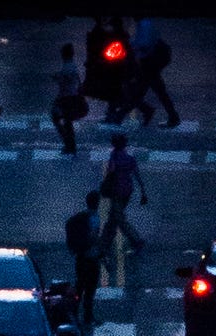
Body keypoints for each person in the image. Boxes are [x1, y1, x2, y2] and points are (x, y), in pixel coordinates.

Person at [97, 131, 148, 261]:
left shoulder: (114, 156)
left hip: (116, 190)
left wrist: (105, 184)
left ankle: (136, 240)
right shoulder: (130, 158)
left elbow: (111, 171)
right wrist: (143, 192)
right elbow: (137, 175)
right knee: (113, 217)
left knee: (118, 218)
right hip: (128, 190)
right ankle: (104, 244)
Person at [65, 192, 104, 335]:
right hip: (91, 258)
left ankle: (74, 314)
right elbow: (93, 236)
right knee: (90, 288)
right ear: (97, 203)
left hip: (81, 257)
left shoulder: (83, 216)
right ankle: (88, 317)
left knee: (80, 286)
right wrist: (100, 250)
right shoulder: (94, 218)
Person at [50, 43, 88, 154]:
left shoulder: (68, 67)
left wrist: (58, 77)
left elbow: (66, 83)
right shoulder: (72, 66)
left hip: (67, 99)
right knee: (66, 121)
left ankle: (69, 144)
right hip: (70, 98)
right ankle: (70, 145)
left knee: (60, 119)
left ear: (63, 54)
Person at [138, 26, 179, 128]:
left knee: (134, 94)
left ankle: (148, 111)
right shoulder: (146, 27)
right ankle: (172, 117)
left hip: (148, 67)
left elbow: (143, 47)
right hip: (151, 67)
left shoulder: (143, 26)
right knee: (160, 93)